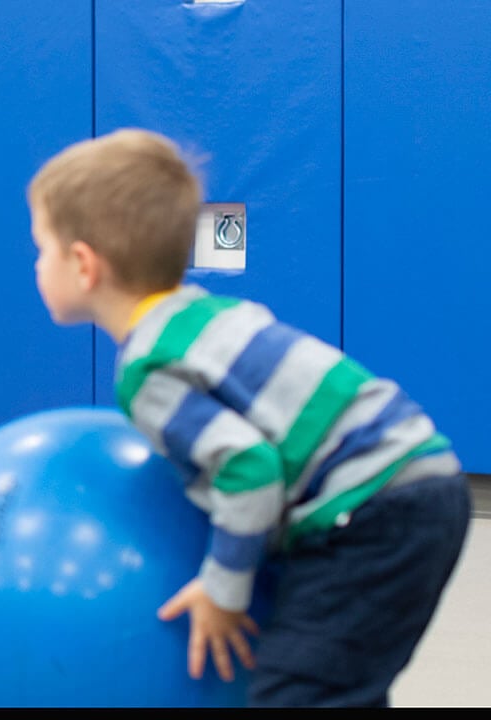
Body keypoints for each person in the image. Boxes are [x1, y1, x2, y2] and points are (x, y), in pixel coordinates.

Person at [25, 128, 471, 707]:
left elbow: (250, 468)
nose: (37, 265)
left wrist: (224, 591)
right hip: (413, 484)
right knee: (339, 681)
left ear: (84, 264)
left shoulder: (149, 368)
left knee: (296, 694)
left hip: (372, 512)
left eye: (41, 248)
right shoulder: (207, 316)